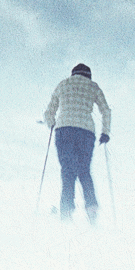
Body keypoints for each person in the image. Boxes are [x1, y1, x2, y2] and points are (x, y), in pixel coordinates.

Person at [43, 63, 111, 222]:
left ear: (73, 74)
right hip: (86, 132)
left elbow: (49, 112)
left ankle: (66, 210)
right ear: (88, 75)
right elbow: (106, 110)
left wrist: (52, 123)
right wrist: (105, 133)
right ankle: (92, 209)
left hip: (64, 130)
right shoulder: (93, 86)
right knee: (84, 170)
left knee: (67, 170)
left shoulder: (63, 84)